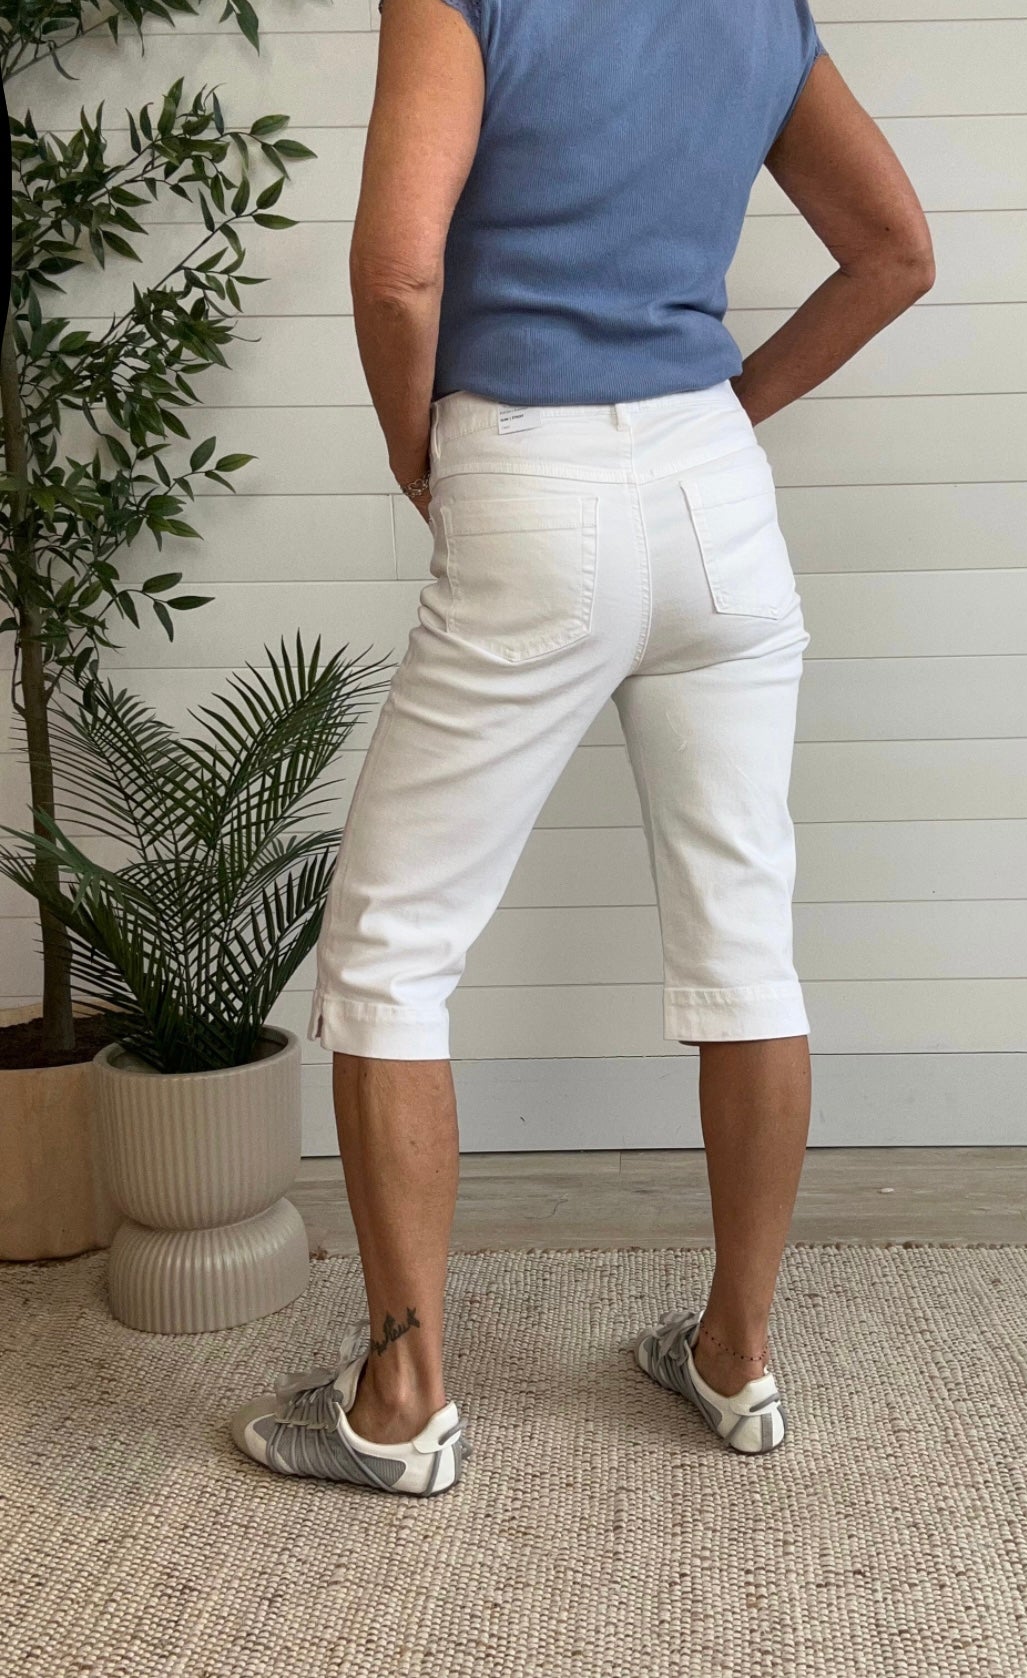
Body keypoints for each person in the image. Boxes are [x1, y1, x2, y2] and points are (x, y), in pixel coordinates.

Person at [229, 0, 934, 1495]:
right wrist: (731, 412)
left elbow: (398, 265)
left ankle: (400, 1402)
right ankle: (736, 1353)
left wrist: (414, 447)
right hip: (718, 501)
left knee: (391, 951)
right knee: (746, 940)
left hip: (529, 473)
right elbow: (895, 251)